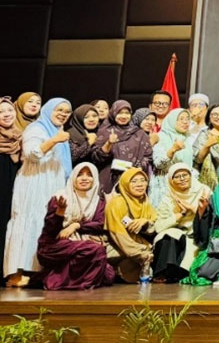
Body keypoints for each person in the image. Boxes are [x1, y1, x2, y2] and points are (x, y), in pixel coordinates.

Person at [4, 97, 72, 287]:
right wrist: (54, 140)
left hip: (52, 181)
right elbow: (31, 153)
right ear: (49, 110)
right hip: (34, 181)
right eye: (59, 110)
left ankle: (38, 272)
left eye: (67, 112)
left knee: (45, 224)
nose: (63, 114)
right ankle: (15, 274)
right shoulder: (36, 128)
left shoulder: (59, 131)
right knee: (26, 223)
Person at [37, 163, 115, 291]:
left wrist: (76, 225)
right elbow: (50, 230)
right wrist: (60, 212)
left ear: (95, 178)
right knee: (96, 250)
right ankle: (54, 281)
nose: (84, 178)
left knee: (109, 275)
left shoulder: (98, 201)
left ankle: (53, 277)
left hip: (82, 243)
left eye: (89, 175)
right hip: (56, 244)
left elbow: (99, 224)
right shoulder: (61, 197)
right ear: (73, 177)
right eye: (80, 175)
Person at [150, 163, 209, 283]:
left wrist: (193, 209)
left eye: (185, 175)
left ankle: (176, 273)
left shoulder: (204, 191)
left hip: (199, 235)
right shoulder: (168, 199)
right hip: (179, 234)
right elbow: (158, 227)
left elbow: (213, 216)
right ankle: (163, 272)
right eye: (177, 177)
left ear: (191, 176)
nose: (182, 179)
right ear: (171, 181)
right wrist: (180, 215)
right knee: (169, 236)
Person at [104, 167, 157, 284]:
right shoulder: (117, 203)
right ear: (125, 184)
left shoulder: (145, 203)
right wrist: (140, 252)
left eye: (143, 180)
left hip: (140, 248)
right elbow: (118, 235)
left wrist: (145, 222)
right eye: (134, 181)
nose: (140, 184)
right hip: (118, 247)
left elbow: (155, 226)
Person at [98, 100, 155, 196]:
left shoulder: (139, 134)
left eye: (127, 113)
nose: (124, 116)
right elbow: (96, 158)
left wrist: (137, 167)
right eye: (120, 113)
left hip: (133, 179)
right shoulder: (104, 132)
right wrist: (109, 143)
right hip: (109, 178)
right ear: (113, 113)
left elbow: (148, 156)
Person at [150, 108, 194, 208]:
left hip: (184, 184)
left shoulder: (188, 138)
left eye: (187, 118)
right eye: (181, 119)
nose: (185, 122)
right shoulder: (161, 137)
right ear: (172, 120)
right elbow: (158, 164)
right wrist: (173, 149)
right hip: (166, 185)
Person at [0, 98, 23, 269]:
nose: (7, 114)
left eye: (10, 110)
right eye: (1, 112)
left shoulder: (20, 137)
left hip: (13, 192)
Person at [67, 104, 113, 168]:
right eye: (86, 117)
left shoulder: (99, 133)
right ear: (79, 118)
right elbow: (72, 157)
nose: (91, 119)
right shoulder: (70, 134)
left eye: (94, 116)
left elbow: (96, 159)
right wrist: (89, 142)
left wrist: (109, 143)